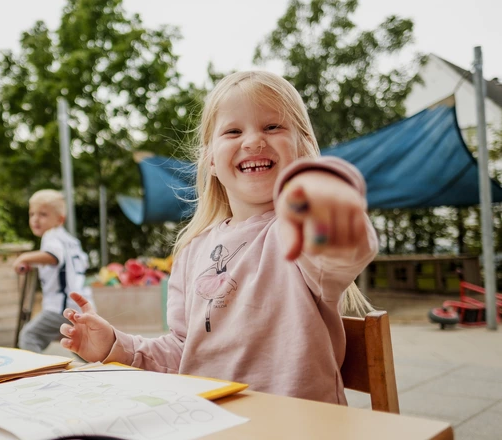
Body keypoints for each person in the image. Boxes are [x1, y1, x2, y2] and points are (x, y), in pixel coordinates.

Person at [60, 71, 378, 404]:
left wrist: (332, 206)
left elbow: (344, 251)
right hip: (208, 422)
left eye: (273, 127)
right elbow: (183, 351)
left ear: (303, 148)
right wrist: (116, 345)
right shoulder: (193, 250)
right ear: (210, 159)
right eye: (233, 131)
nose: (253, 141)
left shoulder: (299, 232)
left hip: (298, 427)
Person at [13, 189, 94, 353]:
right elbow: (65, 266)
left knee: (30, 336)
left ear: (60, 219)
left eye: (43, 214)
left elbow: (53, 256)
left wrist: (24, 258)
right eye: (32, 214)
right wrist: (35, 263)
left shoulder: (51, 236)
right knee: (80, 347)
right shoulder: (70, 240)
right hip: (81, 304)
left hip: (61, 307)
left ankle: (37, 374)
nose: (35, 219)